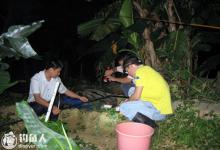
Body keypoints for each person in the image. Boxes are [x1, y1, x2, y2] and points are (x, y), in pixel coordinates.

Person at [119, 55, 173, 127]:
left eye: (127, 71)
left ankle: (152, 126)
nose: (128, 74)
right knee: (131, 96)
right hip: (158, 108)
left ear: (132, 66)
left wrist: (127, 101)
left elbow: (136, 96)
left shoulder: (140, 72)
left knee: (123, 107)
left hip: (158, 112)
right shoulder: (146, 70)